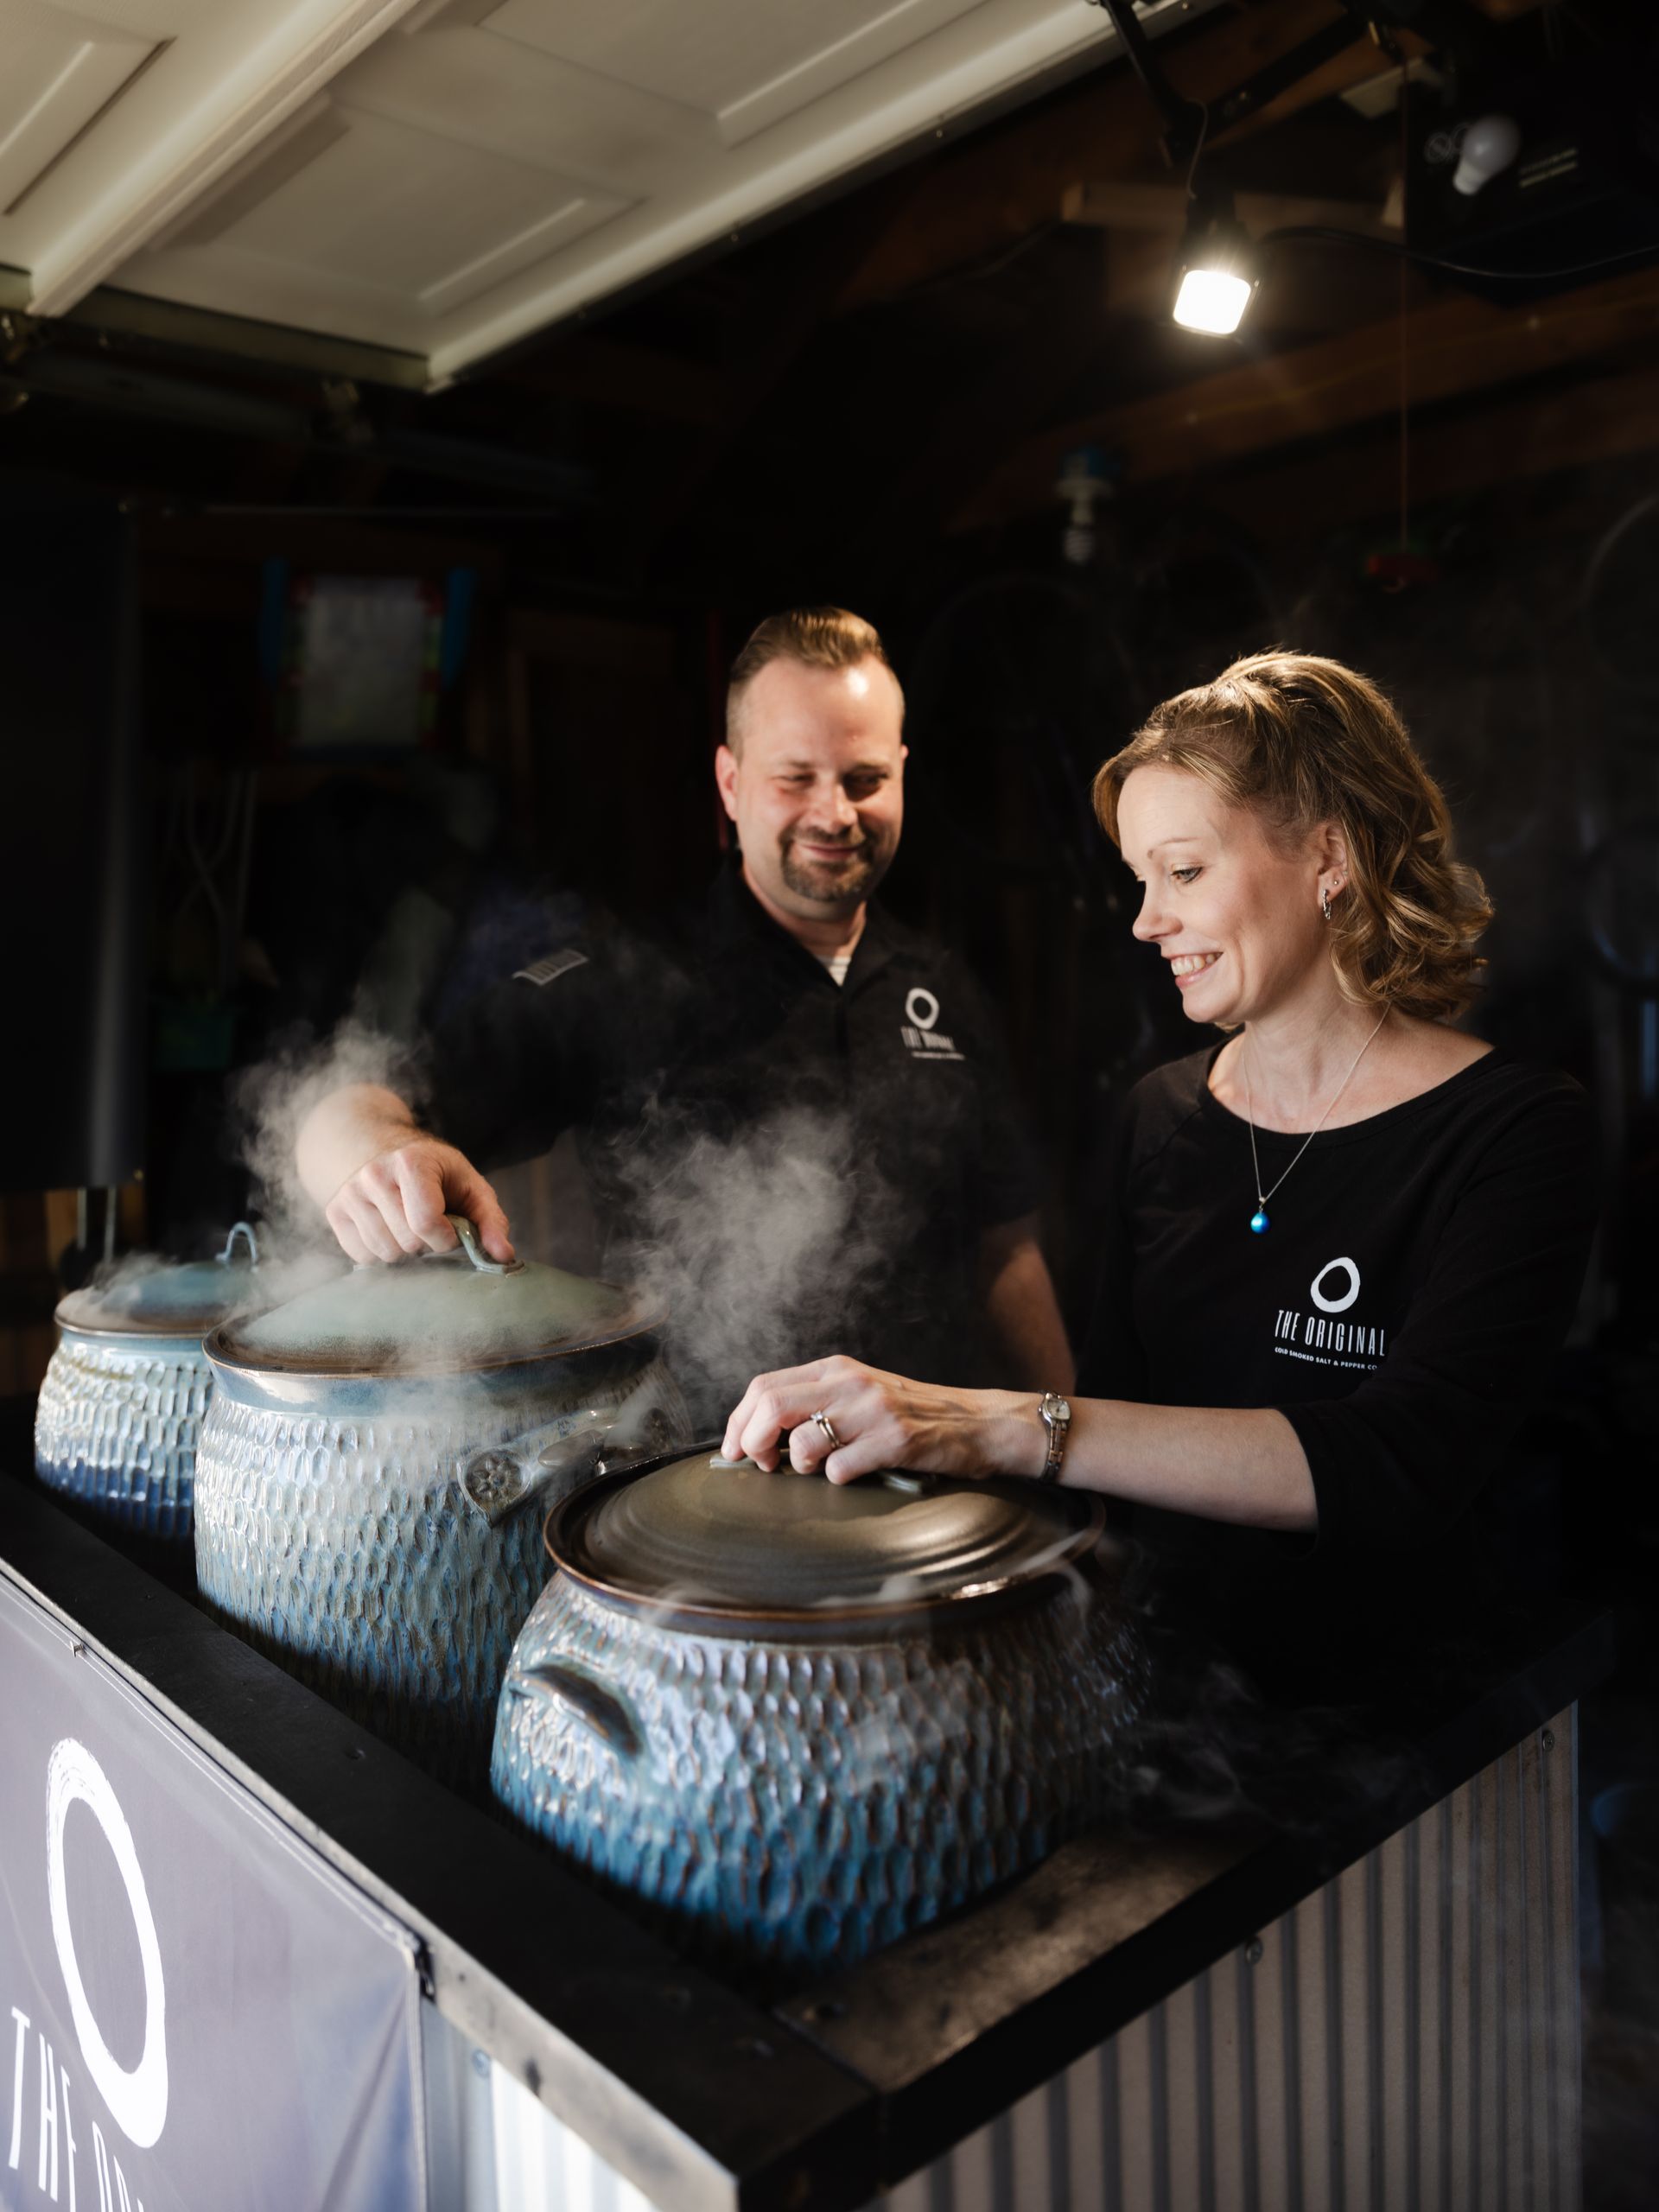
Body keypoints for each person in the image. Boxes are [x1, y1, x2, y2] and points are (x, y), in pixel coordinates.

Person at [722, 651, 1597, 1663]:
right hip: (1172, 1708)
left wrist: (1006, 1423)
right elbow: (1119, 1458)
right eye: (1142, 880)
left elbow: (1401, 1464)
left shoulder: (1515, 1132)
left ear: (1331, 857)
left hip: (1401, 1744)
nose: (1148, 921)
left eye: (1183, 871)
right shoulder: (1161, 1114)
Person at [296, 606, 1072, 1425]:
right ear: (731, 784)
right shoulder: (632, 975)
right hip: (702, 1495)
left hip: (942, 1491)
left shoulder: (946, 988)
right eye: (795, 778)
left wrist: (1065, 1451)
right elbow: (363, 1101)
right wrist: (375, 1155)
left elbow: (1008, 1251)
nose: (836, 813)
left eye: (865, 779)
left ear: (903, 774)